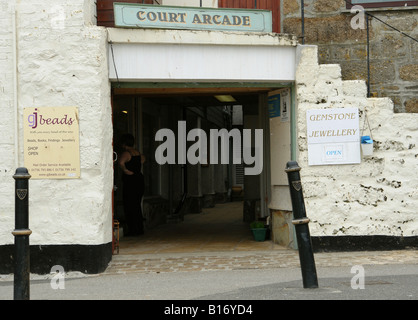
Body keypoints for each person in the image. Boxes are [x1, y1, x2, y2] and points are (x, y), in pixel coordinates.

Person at [118, 134, 145, 236]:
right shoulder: (137, 152)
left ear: (124, 143)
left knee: (129, 205)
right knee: (137, 205)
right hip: (139, 179)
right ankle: (139, 228)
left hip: (131, 181)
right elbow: (143, 159)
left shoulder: (126, 153)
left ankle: (133, 230)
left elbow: (121, 162)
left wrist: (125, 170)